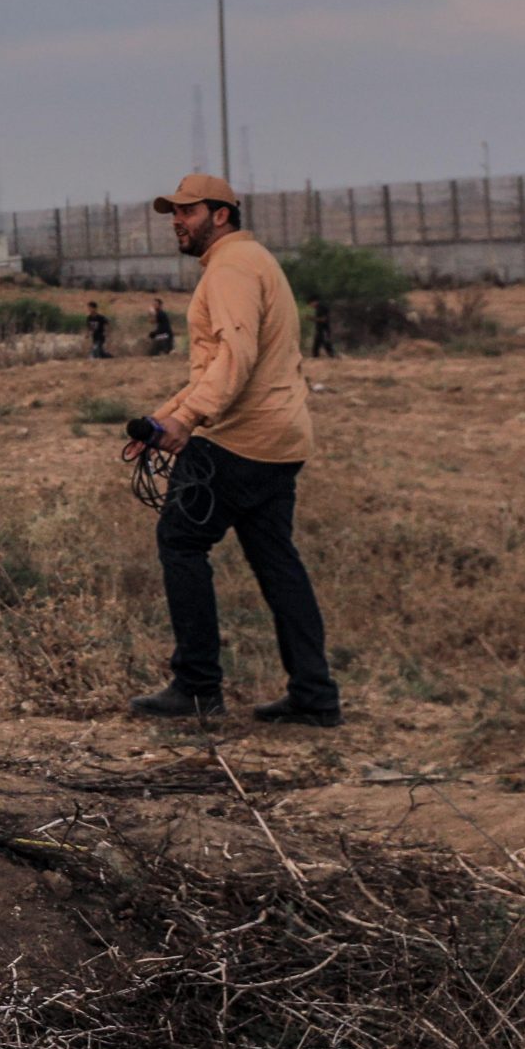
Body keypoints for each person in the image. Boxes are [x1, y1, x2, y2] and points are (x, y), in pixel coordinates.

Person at [130, 174, 339, 727]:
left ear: (220, 214)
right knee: (277, 563)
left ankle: (197, 686)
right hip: (280, 437)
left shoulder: (229, 269)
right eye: (173, 212)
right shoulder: (254, 262)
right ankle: (314, 695)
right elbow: (224, 361)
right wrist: (166, 414)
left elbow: (235, 355)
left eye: (187, 211)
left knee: (180, 541)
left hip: (237, 437)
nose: (176, 220)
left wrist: (189, 417)